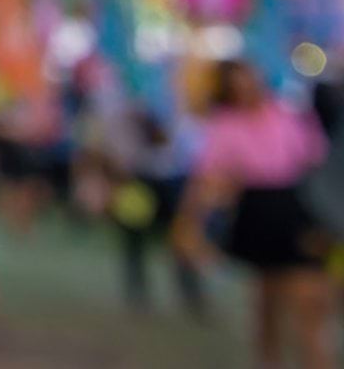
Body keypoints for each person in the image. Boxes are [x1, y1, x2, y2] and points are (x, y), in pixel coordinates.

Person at [178, 59, 330, 368]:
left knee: (306, 296)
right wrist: (190, 223)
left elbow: (315, 162)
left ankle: (314, 359)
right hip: (257, 209)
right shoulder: (225, 125)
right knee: (267, 299)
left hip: (294, 207)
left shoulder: (289, 115)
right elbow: (208, 177)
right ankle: (270, 359)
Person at [112, 104, 207, 318]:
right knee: (134, 241)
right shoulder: (127, 106)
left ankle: (191, 295)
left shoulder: (179, 103)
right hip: (139, 179)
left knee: (180, 240)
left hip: (173, 181)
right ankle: (137, 294)